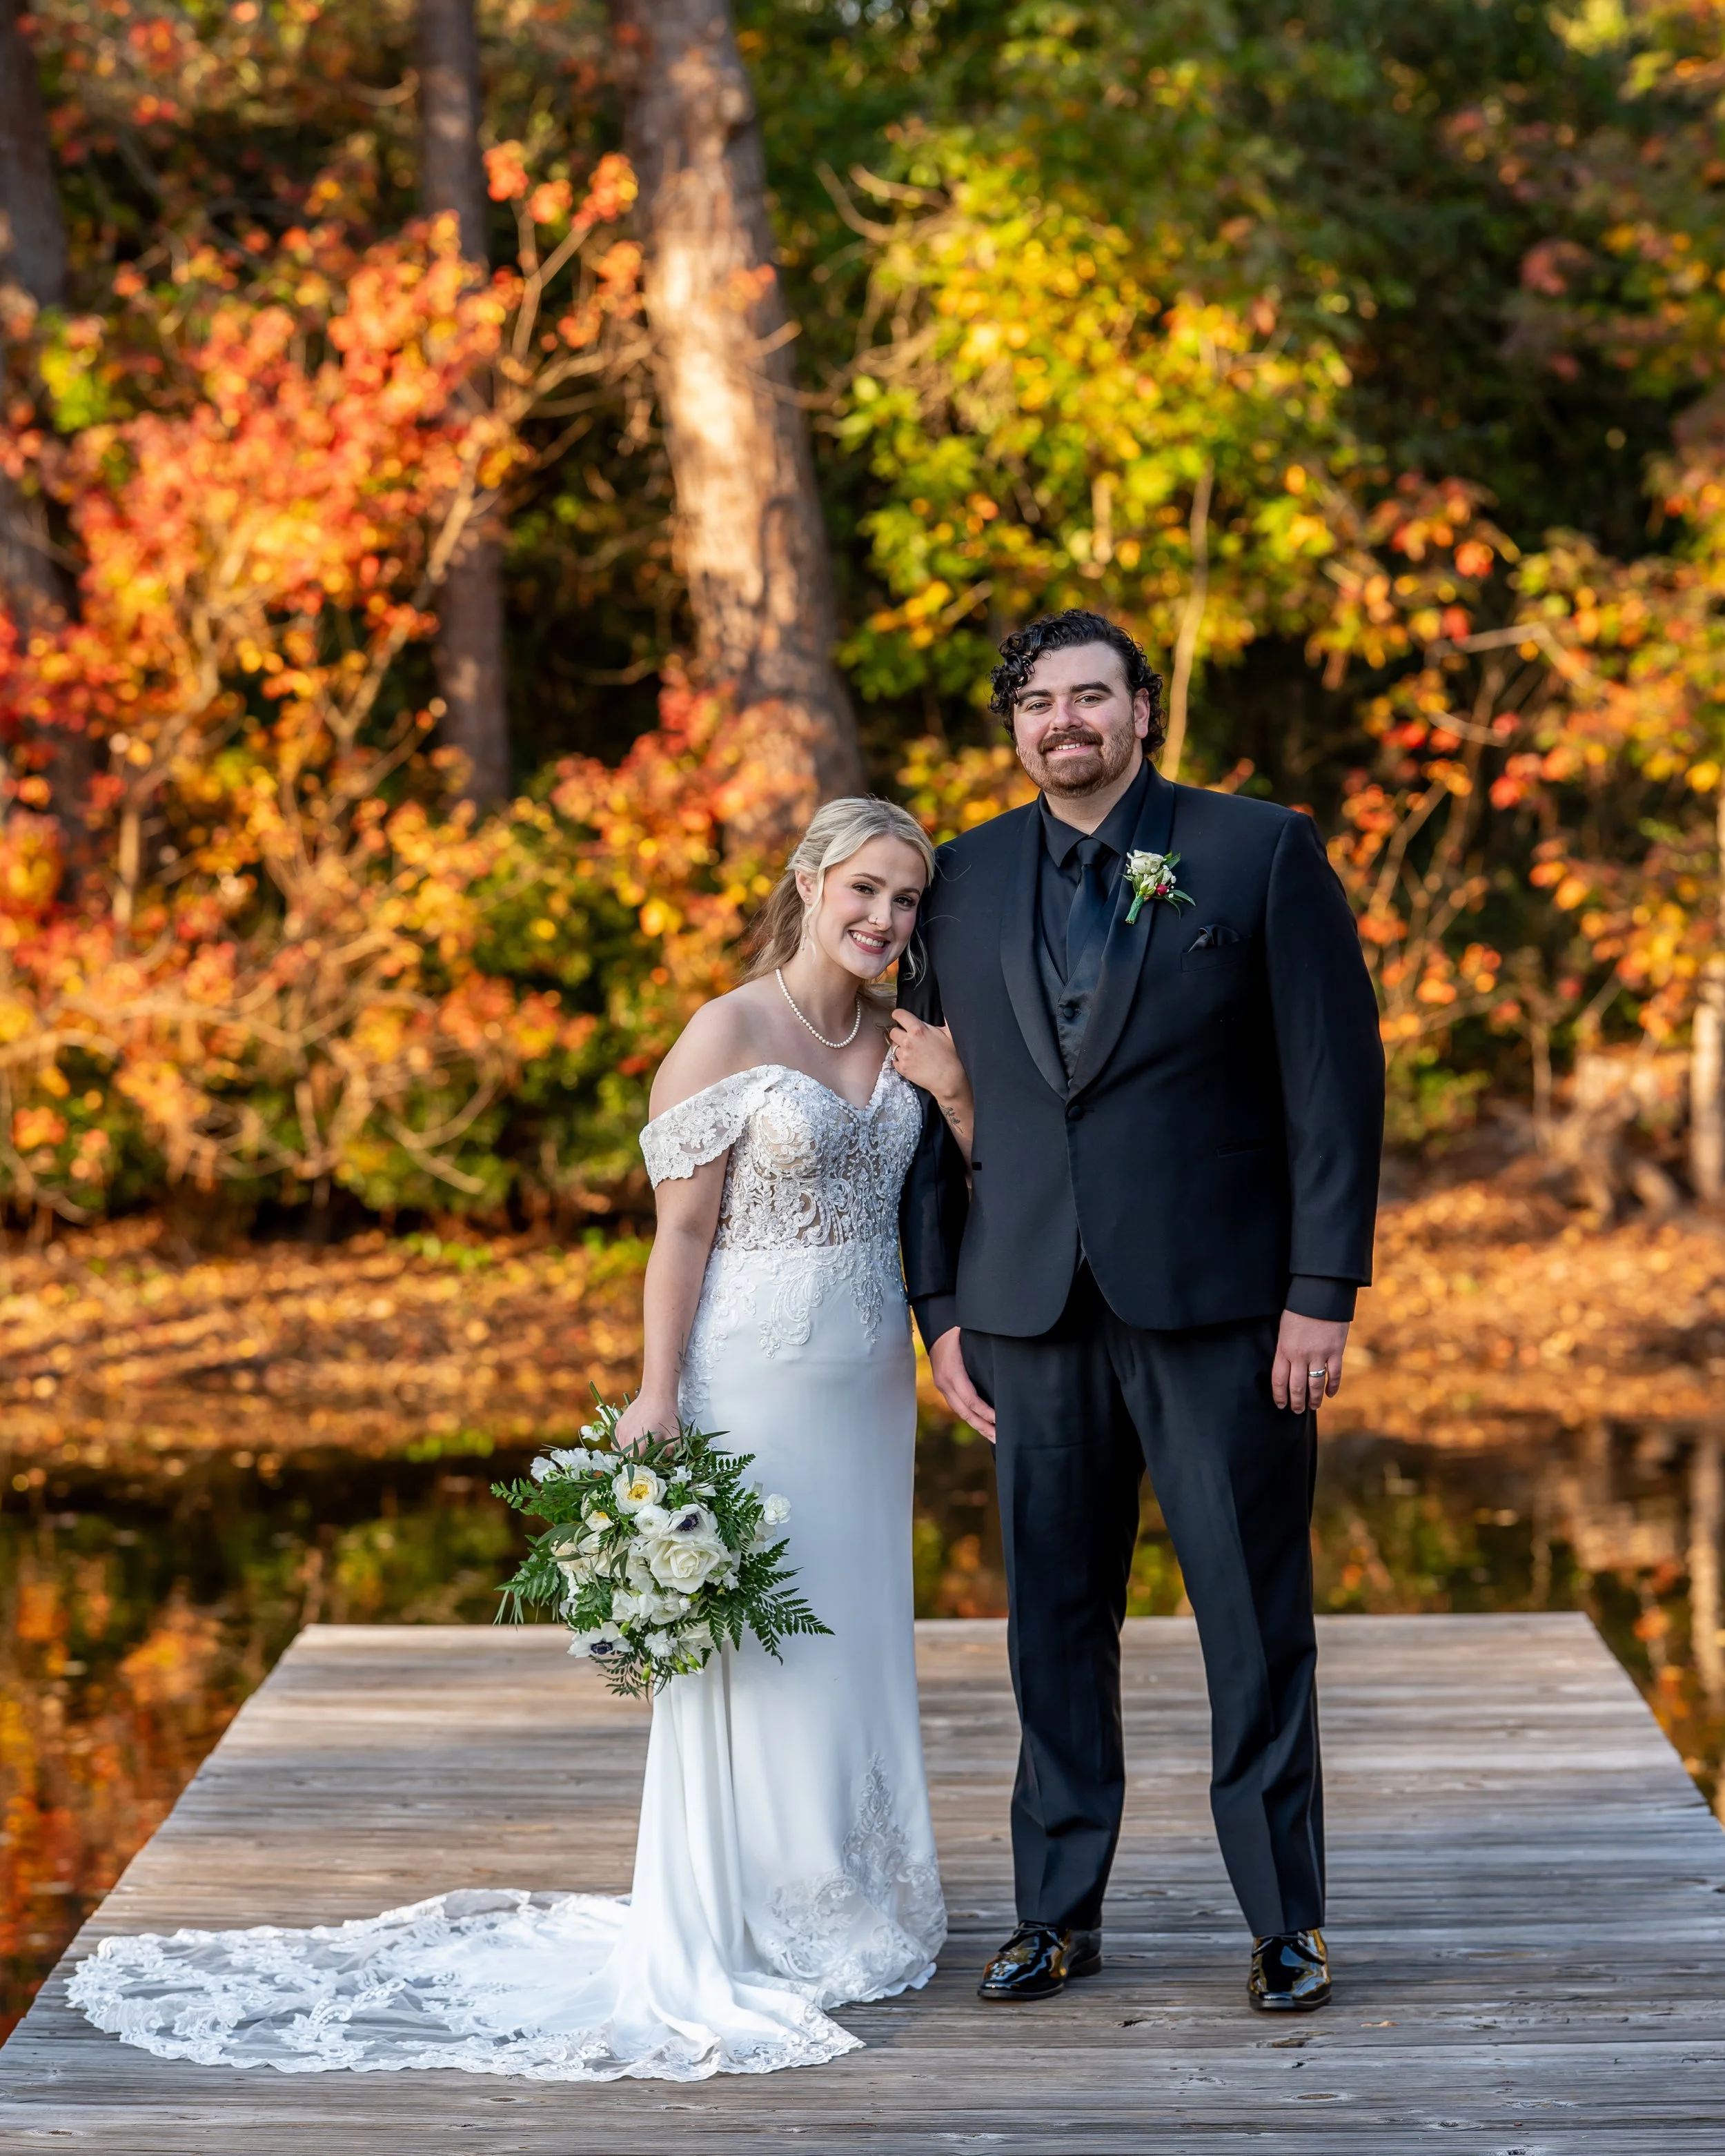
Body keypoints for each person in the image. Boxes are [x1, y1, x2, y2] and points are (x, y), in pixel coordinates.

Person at [69, 796, 951, 2080]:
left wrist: (958, 1091)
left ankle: (854, 1896)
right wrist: (657, 1396)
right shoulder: (726, 1031)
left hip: (868, 1380)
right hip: (751, 1377)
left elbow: (947, 1180)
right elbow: (683, 1237)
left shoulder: (903, 1034)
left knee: (856, 1622)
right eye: (863, 889)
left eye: (907, 900)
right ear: (809, 883)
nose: (883, 919)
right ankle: (750, 1916)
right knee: (759, 1645)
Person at [891, 609, 1384, 2015]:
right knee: (1047, 1622)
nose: (1065, 722)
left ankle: (1284, 1919)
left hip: (1225, 1308)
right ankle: (1054, 1912)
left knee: (1251, 1618)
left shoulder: (1253, 850)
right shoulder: (964, 875)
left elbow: (1331, 1089)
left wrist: (1318, 1294)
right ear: (1014, 727)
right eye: (1038, 702)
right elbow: (931, 1107)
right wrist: (937, 1304)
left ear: (1141, 711)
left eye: (1091, 696)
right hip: (1025, 1309)